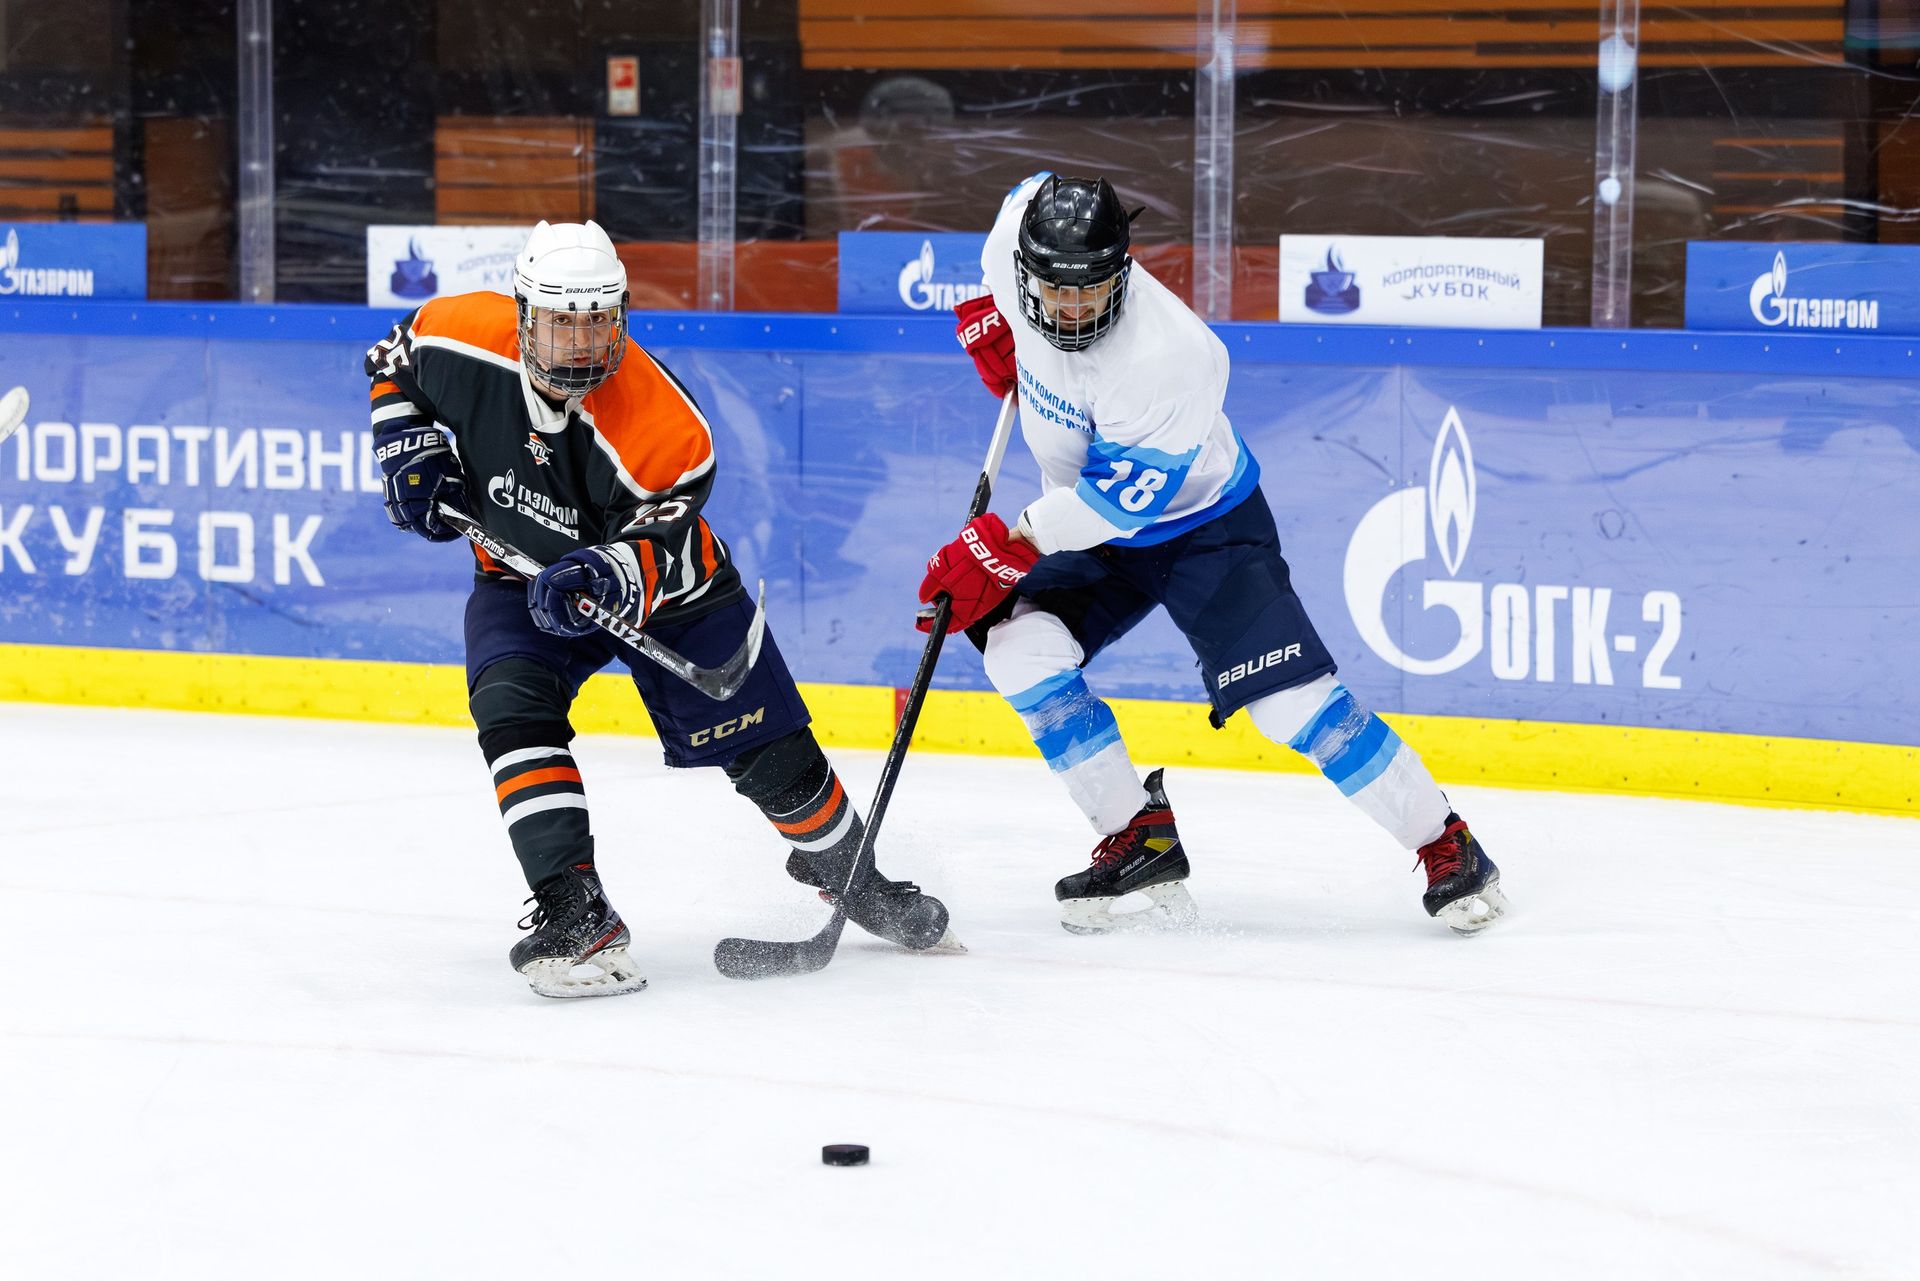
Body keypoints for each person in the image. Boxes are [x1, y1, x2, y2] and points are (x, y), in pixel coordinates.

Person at [365, 219, 955, 997]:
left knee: (771, 755)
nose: (579, 345)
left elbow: (658, 543)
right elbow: (390, 362)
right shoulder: (458, 334)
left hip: (668, 589)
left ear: (621, 318)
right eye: (560, 323)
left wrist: (605, 572)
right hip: (516, 573)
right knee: (510, 705)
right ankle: (575, 910)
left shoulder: (665, 423)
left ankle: (856, 878)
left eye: (596, 323)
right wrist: (406, 442)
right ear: (522, 315)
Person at [920, 173, 1509, 936]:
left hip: (1204, 528)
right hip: (1095, 530)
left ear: (1121, 272)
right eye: (1053, 292)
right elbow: (1026, 190)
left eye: (1091, 292)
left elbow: (1110, 506)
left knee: (1292, 705)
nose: (1071, 310)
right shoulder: (1011, 245)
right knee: (1018, 650)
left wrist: (1005, 548)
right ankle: (1140, 836)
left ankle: (1445, 840)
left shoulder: (1172, 357)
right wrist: (999, 323)